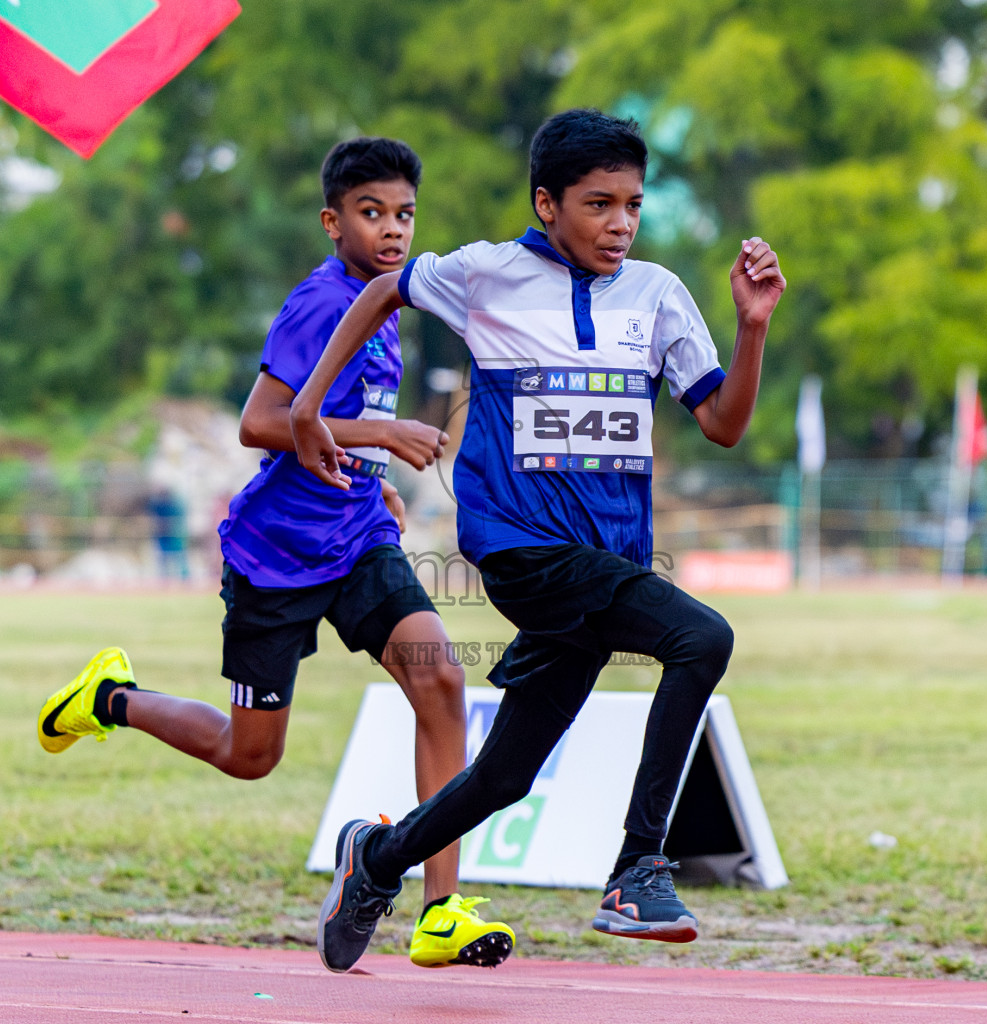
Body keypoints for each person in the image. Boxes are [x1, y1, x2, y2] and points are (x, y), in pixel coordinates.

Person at [291, 109, 786, 973]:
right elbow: (382, 291)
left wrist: (751, 327)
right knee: (702, 636)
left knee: (504, 777)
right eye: (599, 204)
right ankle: (639, 867)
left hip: (607, 564)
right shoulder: (487, 273)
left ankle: (377, 861)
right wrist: (308, 406)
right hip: (518, 546)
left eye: (633, 205)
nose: (621, 224)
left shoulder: (659, 295)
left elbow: (722, 424)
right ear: (546, 204)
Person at [36, 137, 514, 971]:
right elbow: (261, 423)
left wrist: (372, 474)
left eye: (405, 214)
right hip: (277, 556)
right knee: (250, 756)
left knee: (440, 678)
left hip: (359, 536)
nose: (392, 231)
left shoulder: (393, 304)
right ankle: (110, 697)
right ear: (333, 224)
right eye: (372, 214)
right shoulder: (318, 302)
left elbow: (337, 420)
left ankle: (443, 910)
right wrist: (381, 434)